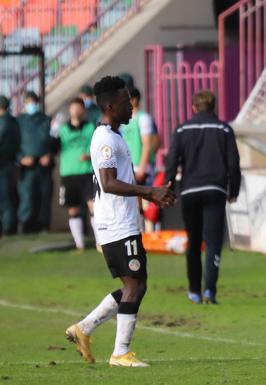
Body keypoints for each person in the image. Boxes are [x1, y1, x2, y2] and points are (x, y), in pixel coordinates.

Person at [65, 76, 176, 367]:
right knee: (134, 285)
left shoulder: (114, 135)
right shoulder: (104, 140)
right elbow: (109, 182)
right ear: (112, 106)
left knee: (136, 283)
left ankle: (84, 329)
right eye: (127, 102)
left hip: (122, 220)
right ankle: (120, 353)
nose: (131, 107)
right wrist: (150, 191)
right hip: (116, 222)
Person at [165, 90, 241, 305]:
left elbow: (172, 161)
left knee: (194, 243)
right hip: (215, 190)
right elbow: (233, 163)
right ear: (214, 107)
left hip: (189, 191)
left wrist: (168, 188)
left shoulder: (181, 129)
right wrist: (233, 190)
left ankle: (193, 291)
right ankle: (209, 291)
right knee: (213, 243)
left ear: (193, 108)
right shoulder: (224, 129)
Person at [52, 98, 98, 250]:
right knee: (73, 209)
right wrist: (52, 132)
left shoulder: (91, 127)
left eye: (79, 108)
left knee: (94, 206)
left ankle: (100, 242)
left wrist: (90, 156)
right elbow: (54, 148)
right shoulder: (62, 129)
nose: (76, 111)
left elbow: (100, 147)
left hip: (87, 172)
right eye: (73, 108)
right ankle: (80, 244)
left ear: (83, 110)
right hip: (69, 173)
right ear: (70, 111)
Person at [17, 91, 53, 233]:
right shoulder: (19, 121)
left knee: (44, 197)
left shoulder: (46, 119)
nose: (31, 105)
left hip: (44, 167)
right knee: (27, 197)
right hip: (26, 168)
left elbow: (54, 141)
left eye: (33, 102)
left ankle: (44, 227)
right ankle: (24, 226)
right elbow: (13, 144)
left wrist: (49, 155)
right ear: (24, 104)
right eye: (28, 102)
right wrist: (21, 158)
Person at [120, 87, 154, 185]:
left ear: (134, 100)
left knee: (143, 199)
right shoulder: (124, 120)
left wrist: (142, 169)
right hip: (128, 167)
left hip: (140, 169)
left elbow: (147, 145)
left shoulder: (143, 118)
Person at [0, 95, 20, 236]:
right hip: (11, 164)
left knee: (5, 201)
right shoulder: (14, 121)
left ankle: (7, 230)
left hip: (2, 165)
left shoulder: (3, 123)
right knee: (8, 199)